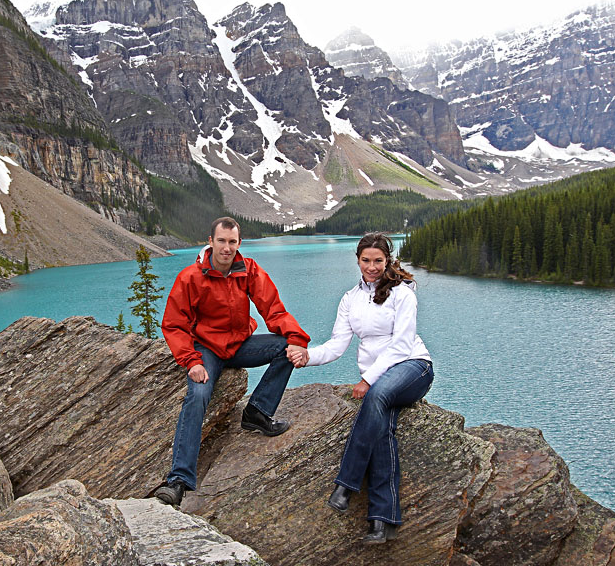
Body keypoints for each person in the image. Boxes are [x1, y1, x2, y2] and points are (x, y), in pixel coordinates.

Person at [154, 216, 310, 507]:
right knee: (198, 393)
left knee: (286, 348)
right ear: (210, 241)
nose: (227, 248)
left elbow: (273, 310)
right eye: (222, 241)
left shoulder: (248, 270)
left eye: (232, 242)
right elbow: (174, 325)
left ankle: (257, 413)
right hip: (207, 350)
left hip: (239, 345)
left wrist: (297, 339)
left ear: (239, 244)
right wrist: (192, 361)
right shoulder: (191, 277)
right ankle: (178, 481)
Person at [287, 232, 433, 544]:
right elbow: (337, 346)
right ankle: (382, 521)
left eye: (378, 261)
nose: (371, 267)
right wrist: (308, 356)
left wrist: (368, 379)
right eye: (366, 260)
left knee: (377, 395)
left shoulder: (403, 294)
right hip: (382, 378)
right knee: (381, 427)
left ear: (387, 261)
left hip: (413, 367)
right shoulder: (350, 299)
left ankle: (347, 483)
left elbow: (402, 344)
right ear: (357, 260)